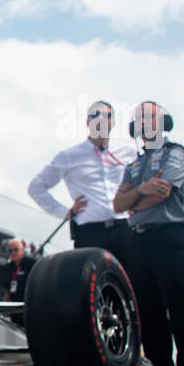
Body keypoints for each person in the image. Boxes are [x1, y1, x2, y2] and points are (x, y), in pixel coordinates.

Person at [112, 102, 184, 366]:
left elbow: (163, 192)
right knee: (148, 309)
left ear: (163, 121)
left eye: (150, 115)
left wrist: (135, 199)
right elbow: (118, 205)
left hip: (169, 237)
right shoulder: (134, 164)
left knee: (180, 305)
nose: (144, 120)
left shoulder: (176, 153)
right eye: (139, 116)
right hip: (139, 240)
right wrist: (142, 190)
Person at [28, 100, 137, 266]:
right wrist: (65, 212)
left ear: (113, 122)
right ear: (87, 121)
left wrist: (137, 205)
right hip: (90, 232)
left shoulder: (129, 153)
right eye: (95, 115)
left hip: (125, 229)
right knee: (92, 286)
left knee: (133, 283)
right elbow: (35, 187)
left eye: (106, 116)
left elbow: (142, 182)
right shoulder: (70, 155)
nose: (100, 120)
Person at [3, 239, 45, 366]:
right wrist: (3, 311)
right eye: (10, 251)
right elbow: (7, 291)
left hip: (31, 311)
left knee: (35, 345)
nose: (13, 253)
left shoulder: (31, 263)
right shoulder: (8, 268)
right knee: (19, 345)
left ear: (22, 249)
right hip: (15, 313)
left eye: (15, 249)